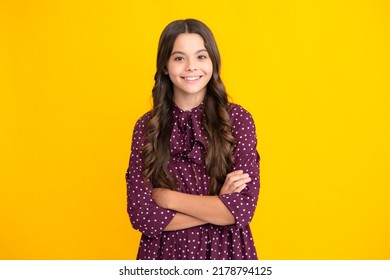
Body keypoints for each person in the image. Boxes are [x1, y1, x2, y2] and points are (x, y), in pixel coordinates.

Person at [125, 19, 260, 260]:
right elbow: (142, 215)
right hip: (163, 255)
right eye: (179, 58)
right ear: (165, 66)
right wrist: (217, 203)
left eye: (200, 56)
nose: (191, 67)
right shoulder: (146, 127)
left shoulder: (238, 119)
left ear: (213, 62)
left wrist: (167, 198)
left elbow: (241, 209)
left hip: (226, 253)